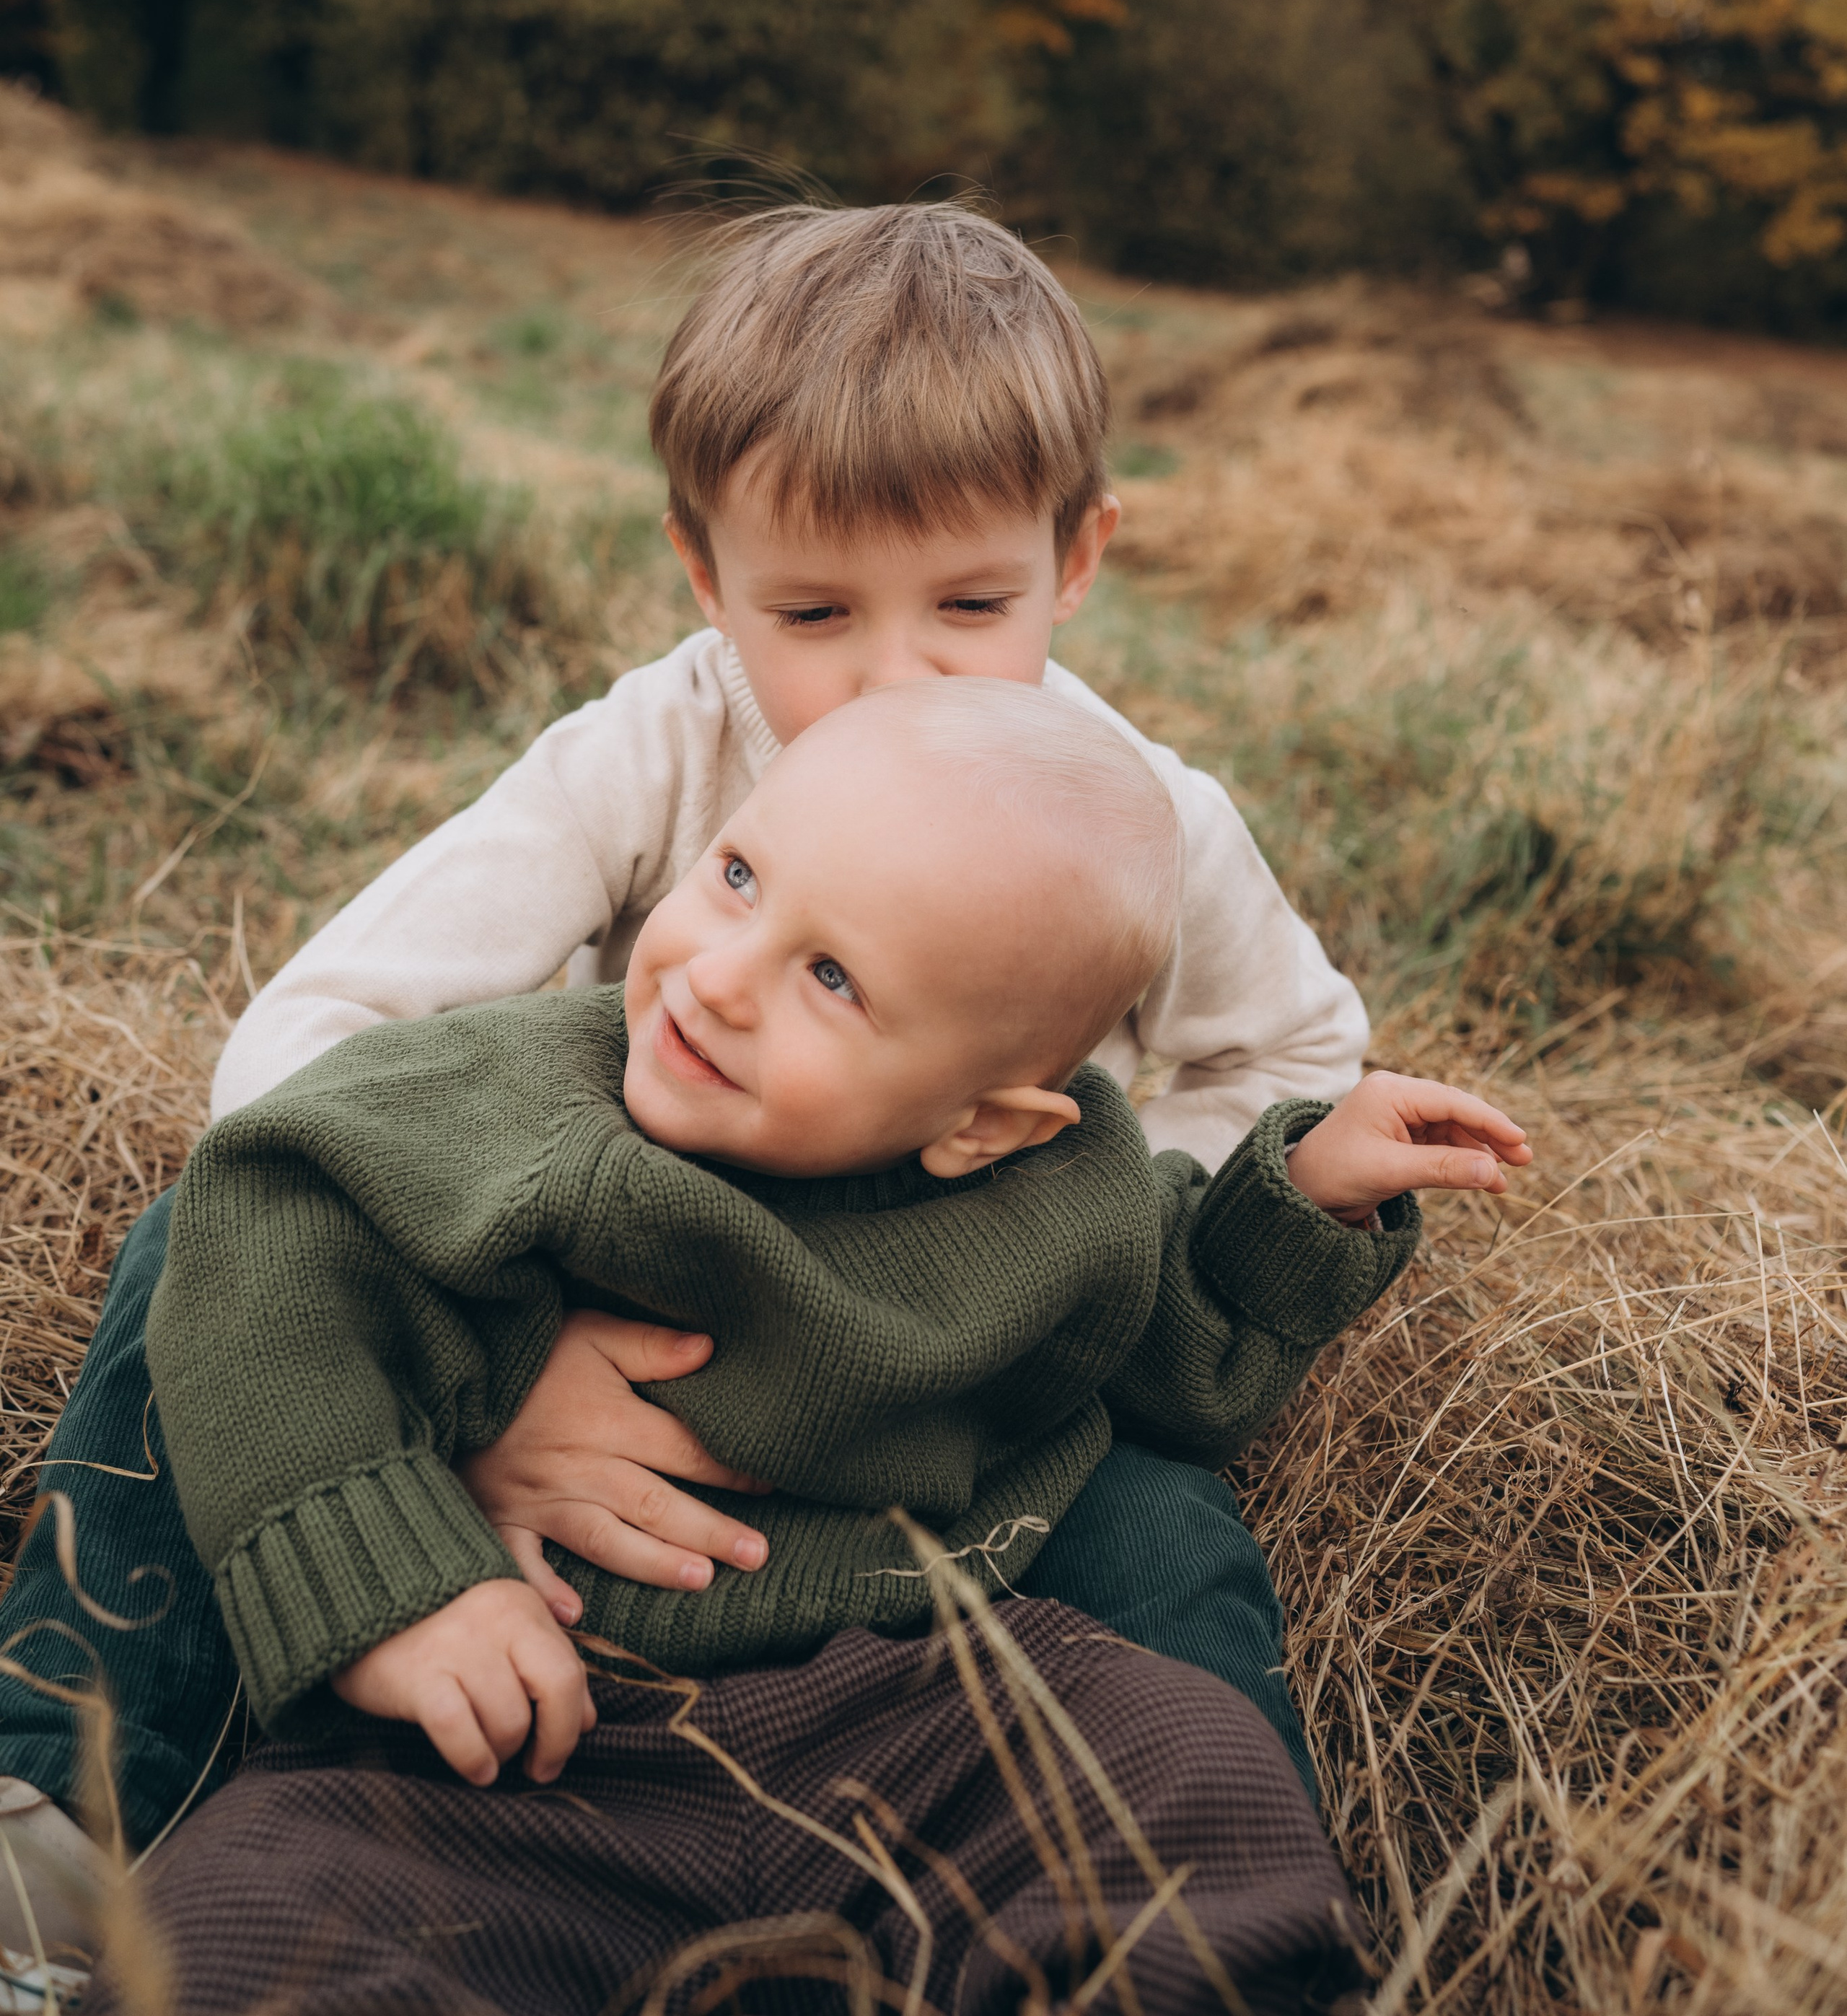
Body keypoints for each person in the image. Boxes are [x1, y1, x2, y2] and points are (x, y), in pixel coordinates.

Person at [2, 206, 1372, 1970]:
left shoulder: (1133, 823)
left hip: (943, 1380)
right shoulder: (648, 749)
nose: (893, 675)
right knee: (209, 1253)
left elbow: (1287, 1051)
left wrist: (1070, 1232)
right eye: (811, 611)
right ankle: (68, 1811)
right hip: (627, 1281)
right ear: (703, 572)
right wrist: (507, 1370)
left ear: (1077, 553)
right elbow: (310, 1046)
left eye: (972, 605)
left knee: (1164, 1535)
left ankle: (1197, 1926)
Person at [87, 682, 1525, 2015]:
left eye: (831, 976)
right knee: (252, 1911)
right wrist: (400, 1589)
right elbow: (267, 1248)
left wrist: (1296, 1201)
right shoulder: (514, 1105)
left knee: (1184, 1770)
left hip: (914, 1725)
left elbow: (1157, 1352)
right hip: (527, 1750)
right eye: (735, 878)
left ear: (985, 1121)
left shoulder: (1057, 1197)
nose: (716, 978)